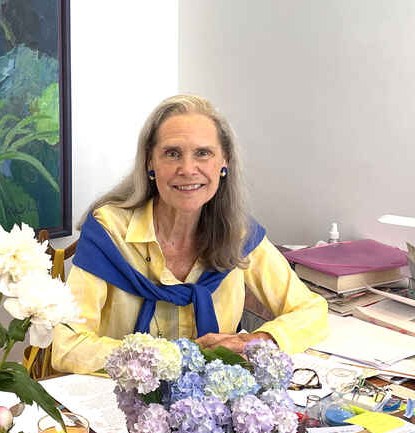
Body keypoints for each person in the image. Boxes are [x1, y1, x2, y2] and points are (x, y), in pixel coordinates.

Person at [51, 94, 328, 375]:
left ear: (224, 162)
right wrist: (171, 358)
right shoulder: (109, 232)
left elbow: (312, 311)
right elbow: (68, 346)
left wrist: (254, 341)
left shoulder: (240, 235)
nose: (187, 169)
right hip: (119, 402)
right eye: (172, 154)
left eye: (203, 153)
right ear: (150, 162)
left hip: (210, 407)